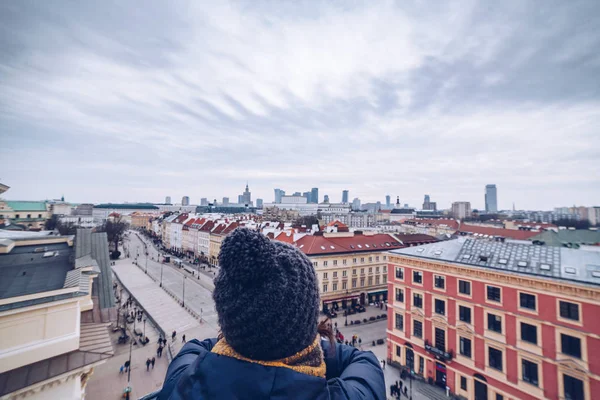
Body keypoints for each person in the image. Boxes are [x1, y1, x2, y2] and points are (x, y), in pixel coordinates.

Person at [159, 228, 385, 400]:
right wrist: (305, 339)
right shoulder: (342, 395)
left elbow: (198, 348)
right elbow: (364, 361)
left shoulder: (183, 382)